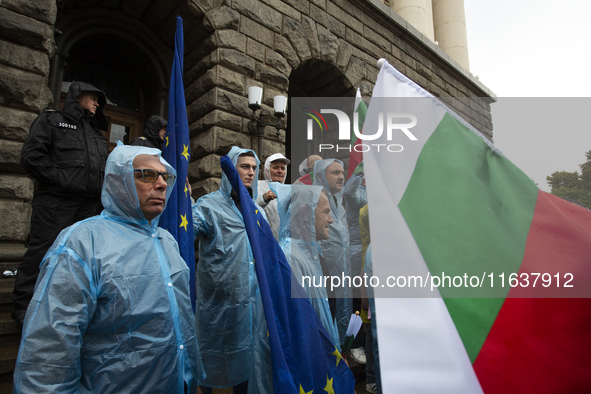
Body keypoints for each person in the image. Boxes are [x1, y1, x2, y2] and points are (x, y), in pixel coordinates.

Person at [13, 144, 205, 393]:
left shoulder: (166, 241)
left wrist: (191, 379)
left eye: (165, 176)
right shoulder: (82, 242)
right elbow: (51, 345)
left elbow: (183, 327)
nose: (161, 184)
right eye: (146, 174)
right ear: (118, 181)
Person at [13, 81, 110, 327]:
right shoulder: (51, 121)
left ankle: (66, 305)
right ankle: (24, 306)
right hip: (56, 202)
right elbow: (32, 157)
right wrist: (62, 179)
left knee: (79, 256)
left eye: (98, 101)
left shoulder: (96, 133)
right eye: (93, 98)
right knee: (42, 251)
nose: (97, 103)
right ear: (77, 96)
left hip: (88, 206)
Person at [192, 147, 271, 394]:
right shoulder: (209, 205)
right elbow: (184, 235)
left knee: (245, 358)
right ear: (231, 169)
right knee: (209, 355)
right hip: (215, 303)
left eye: (253, 168)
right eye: (244, 166)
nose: (249, 172)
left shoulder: (255, 210)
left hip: (248, 301)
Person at [272, 183, 341, 350]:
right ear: (305, 213)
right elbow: (300, 325)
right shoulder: (290, 258)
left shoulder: (310, 254)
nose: (331, 220)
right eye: (326, 212)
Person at [313, 159, 352, 349]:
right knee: (329, 311)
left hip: (342, 268)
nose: (342, 177)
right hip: (324, 271)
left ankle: (342, 348)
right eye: (335, 173)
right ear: (321, 175)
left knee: (343, 306)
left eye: (342, 172)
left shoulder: (339, 203)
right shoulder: (315, 201)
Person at [343, 172, 368, 364]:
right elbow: (349, 192)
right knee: (357, 300)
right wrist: (360, 171)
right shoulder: (358, 192)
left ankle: (367, 340)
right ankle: (354, 344)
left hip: (373, 251)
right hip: (357, 252)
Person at [256, 153, 290, 241]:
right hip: (263, 242)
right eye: (275, 167)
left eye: (282, 168)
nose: (279, 171)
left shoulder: (288, 190)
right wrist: (264, 198)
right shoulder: (257, 186)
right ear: (267, 170)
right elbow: (249, 208)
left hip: (284, 244)